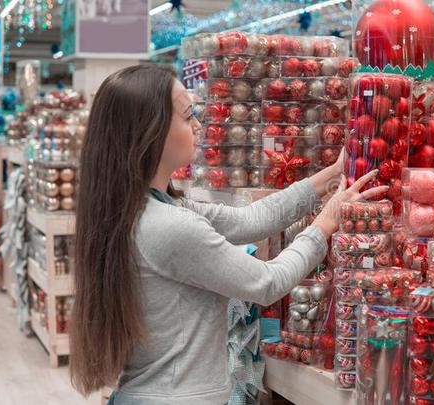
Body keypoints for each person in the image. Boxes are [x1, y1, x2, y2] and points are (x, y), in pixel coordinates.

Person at [70, 64, 386, 404]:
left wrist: (332, 174)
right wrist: (325, 224)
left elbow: (252, 218)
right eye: (188, 115)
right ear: (150, 131)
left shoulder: (141, 210)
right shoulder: (169, 227)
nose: (198, 125)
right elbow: (267, 283)